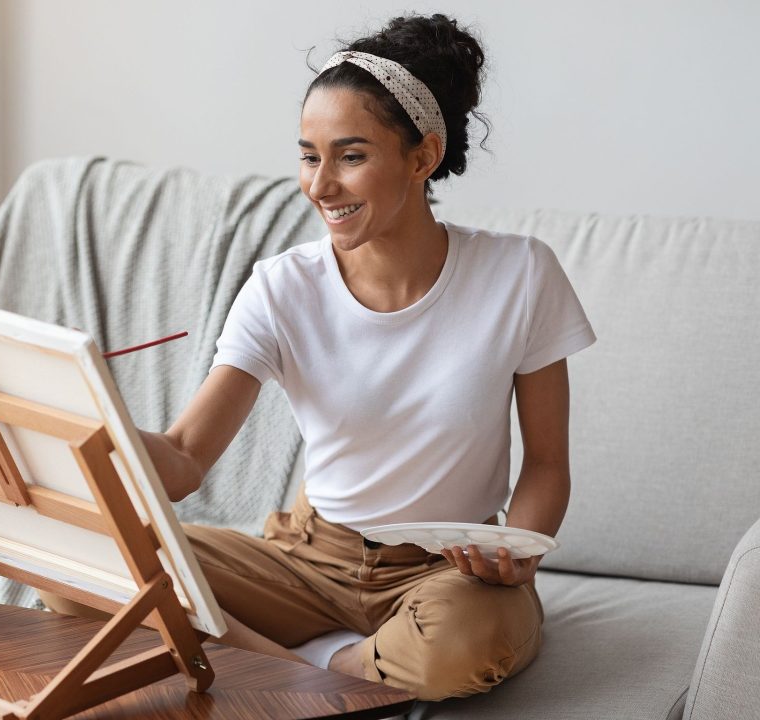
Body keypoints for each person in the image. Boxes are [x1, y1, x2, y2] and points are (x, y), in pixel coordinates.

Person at [46, 12, 595, 702]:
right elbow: (184, 458)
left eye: (352, 155)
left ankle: (297, 670)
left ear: (422, 157)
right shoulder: (283, 286)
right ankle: (320, 671)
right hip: (306, 561)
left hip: (448, 572)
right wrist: (82, 416)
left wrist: (518, 551)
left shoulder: (521, 274)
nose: (320, 185)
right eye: (309, 155)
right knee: (83, 566)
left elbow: (547, 463)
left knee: (462, 646)